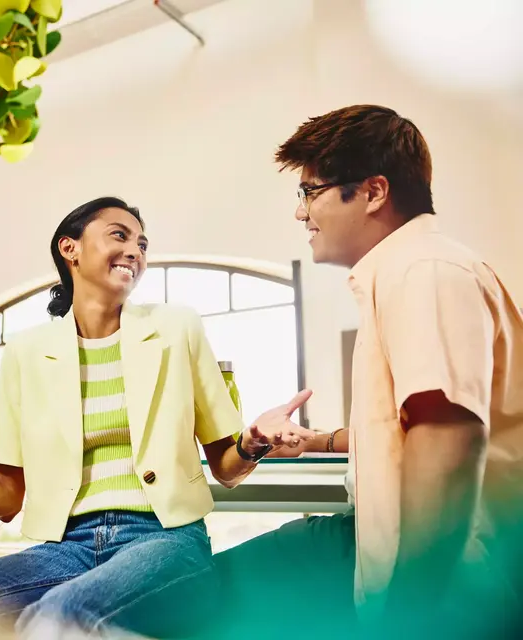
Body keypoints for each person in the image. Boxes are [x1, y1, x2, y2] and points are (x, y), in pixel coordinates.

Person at [0, 196, 316, 639]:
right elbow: (7, 498)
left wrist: (253, 441)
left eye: (142, 244)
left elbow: (225, 466)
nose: (136, 252)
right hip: (65, 548)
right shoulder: (27, 353)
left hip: (165, 539)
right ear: (71, 249)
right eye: (119, 236)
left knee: (58, 617)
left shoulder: (176, 328)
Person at [216, 104, 523, 639]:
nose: (300, 213)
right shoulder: (408, 271)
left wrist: (410, 615)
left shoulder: (422, 268)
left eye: (310, 192)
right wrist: (315, 441)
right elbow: (411, 426)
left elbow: (446, 436)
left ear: (374, 192)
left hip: (455, 600)